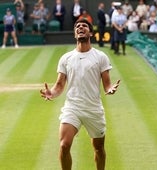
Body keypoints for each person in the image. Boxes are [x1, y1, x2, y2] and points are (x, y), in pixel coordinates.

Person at [40, 18, 120, 170]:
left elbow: (107, 84)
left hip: (93, 109)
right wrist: (51, 93)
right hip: (72, 108)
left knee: (99, 149)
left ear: (90, 32)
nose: (80, 27)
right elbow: (59, 85)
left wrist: (110, 89)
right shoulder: (66, 58)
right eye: (77, 26)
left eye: (84, 26)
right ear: (75, 34)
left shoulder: (101, 57)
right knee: (64, 145)